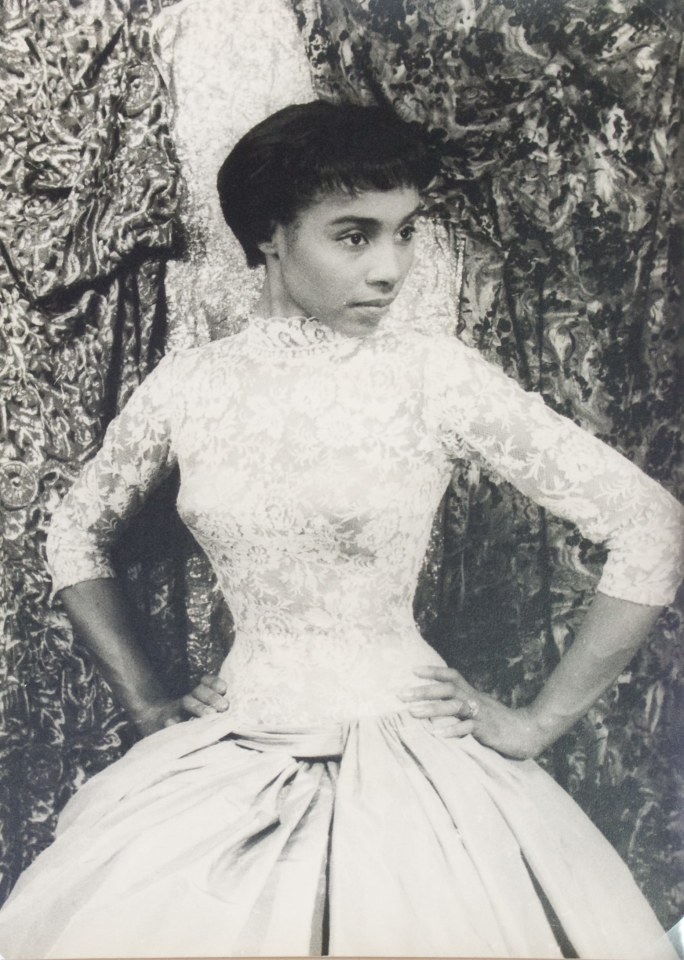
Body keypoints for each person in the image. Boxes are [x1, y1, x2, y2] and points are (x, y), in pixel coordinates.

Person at [0, 101, 682, 959]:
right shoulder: (189, 388)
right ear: (271, 237)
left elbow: (650, 525)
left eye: (406, 232)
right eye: (354, 236)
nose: (391, 268)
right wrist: (146, 697)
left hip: (415, 777)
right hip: (232, 756)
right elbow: (73, 534)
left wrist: (539, 722)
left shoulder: (431, 372)